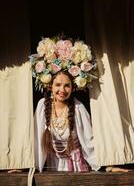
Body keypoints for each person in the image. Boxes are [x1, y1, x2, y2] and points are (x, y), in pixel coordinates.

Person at [31, 37, 131, 172]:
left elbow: (89, 142)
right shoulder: (43, 105)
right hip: (52, 165)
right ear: (50, 86)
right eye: (58, 85)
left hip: (75, 167)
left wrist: (108, 165)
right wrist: (27, 166)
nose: (62, 90)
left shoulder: (78, 108)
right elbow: (36, 140)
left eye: (67, 86)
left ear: (73, 88)